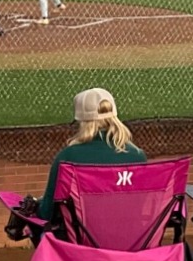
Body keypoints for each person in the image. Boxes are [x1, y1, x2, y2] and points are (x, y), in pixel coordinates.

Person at [35, 87, 146, 222]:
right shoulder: (137, 156)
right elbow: (138, 205)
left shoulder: (68, 157)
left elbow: (46, 213)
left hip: (80, 240)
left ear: (83, 123)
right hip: (131, 238)